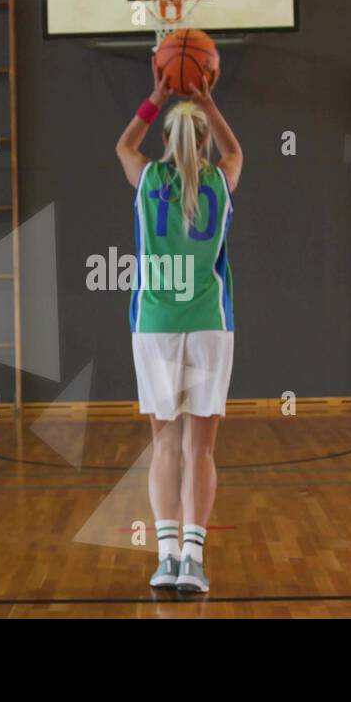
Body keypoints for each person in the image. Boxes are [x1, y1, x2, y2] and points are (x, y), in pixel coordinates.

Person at [114, 61, 243, 593]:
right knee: (201, 451)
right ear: (205, 141)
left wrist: (155, 96)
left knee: (166, 446)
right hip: (210, 322)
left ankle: (165, 558)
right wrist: (207, 101)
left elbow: (124, 146)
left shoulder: (148, 178)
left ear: (166, 141)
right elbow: (236, 153)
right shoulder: (220, 178)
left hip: (157, 324)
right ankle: (194, 560)